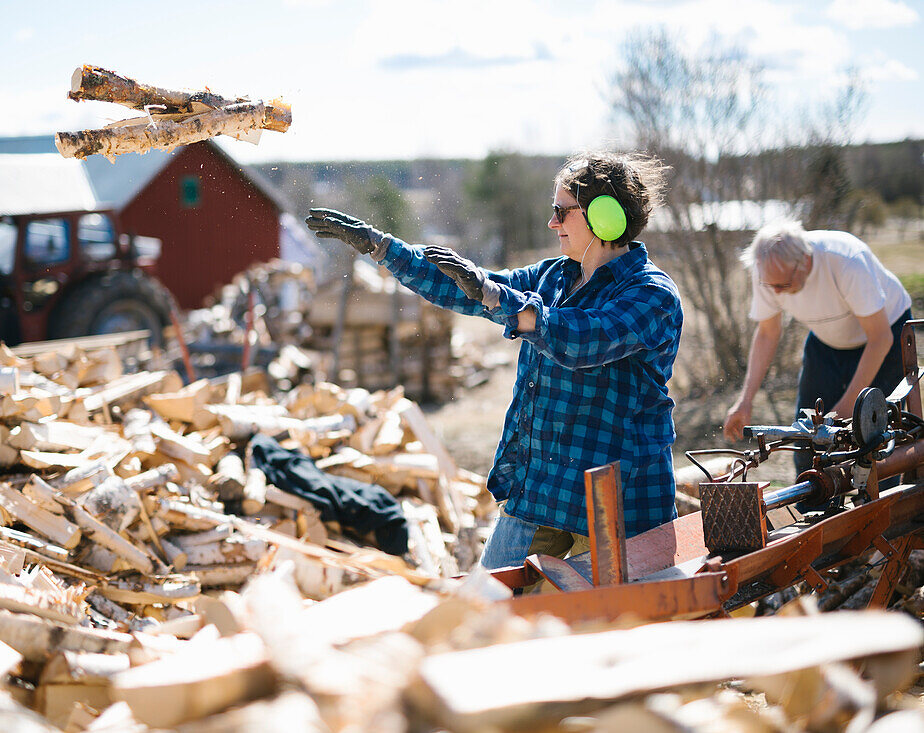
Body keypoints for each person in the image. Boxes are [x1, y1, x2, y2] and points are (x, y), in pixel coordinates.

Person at [307, 151, 682, 570]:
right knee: (485, 607)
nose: (552, 223)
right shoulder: (554, 276)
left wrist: (505, 302)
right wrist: (383, 248)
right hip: (544, 489)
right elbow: (469, 286)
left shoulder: (652, 295)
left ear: (604, 218)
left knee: (611, 628)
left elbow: (582, 338)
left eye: (562, 212)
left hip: (619, 503)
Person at [723, 222, 912, 476]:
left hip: (884, 335)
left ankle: (879, 510)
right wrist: (745, 401)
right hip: (827, 340)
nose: (776, 292)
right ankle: (814, 509)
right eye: (772, 286)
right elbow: (768, 333)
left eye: (783, 285)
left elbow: (880, 338)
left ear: (804, 261)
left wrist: (846, 410)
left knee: (874, 438)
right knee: (807, 435)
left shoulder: (846, 261)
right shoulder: (769, 272)